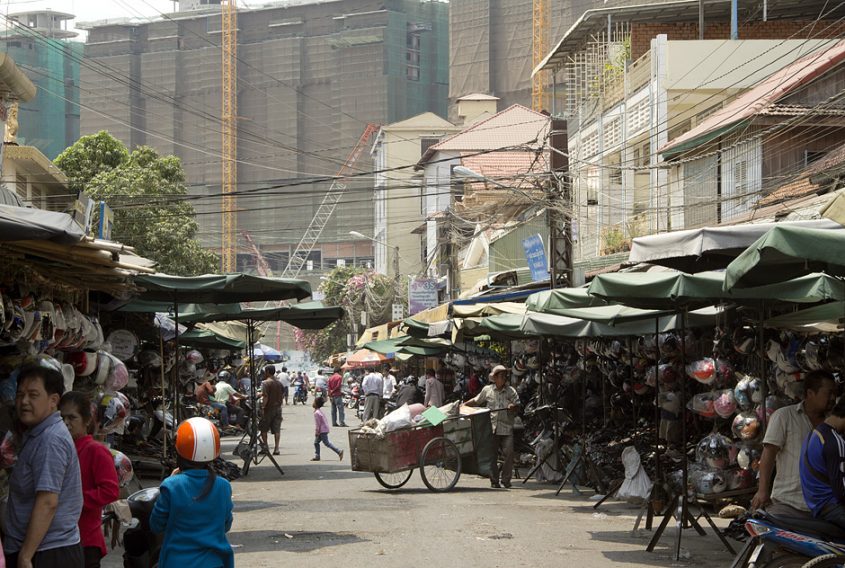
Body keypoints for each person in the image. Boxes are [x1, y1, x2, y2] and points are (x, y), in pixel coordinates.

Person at [5, 364, 84, 567]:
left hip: (46, 554)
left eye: (33, 395)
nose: (24, 401)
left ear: (53, 400)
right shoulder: (37, 434)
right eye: (20, 394)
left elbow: (48, 502)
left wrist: (25, 556)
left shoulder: (51, 439)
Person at [150, 417, 234, 568]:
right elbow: (226, 525)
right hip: (215, 562)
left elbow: (156, 525)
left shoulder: (171, 485)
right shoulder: (223, 486)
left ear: (179, 449)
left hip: (177, 562)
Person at [752, 370, 837, 511]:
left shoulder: (834, 423)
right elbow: (768, 454)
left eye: (835, 393)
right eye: (829, 393)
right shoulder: (784, 416)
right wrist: (762, 491)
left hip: (825, 503)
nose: (833, 398)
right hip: (789, 502)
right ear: (810, 393)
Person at [59, 391, 119, 568]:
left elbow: (111, 491)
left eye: (72, 418)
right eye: (62, 417)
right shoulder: (60, 448)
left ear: (86, 420)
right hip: (60, 539)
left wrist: (74, 500)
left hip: (85, 540)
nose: (66, 423)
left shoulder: (95, 450)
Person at [464, 365, 519, 489]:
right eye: (501, 376)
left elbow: (518, 405)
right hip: (492, 427)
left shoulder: (511, 391)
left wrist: (513, 406)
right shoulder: (487, 390)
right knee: (492, 455)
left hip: (506, 427)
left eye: (505, 376)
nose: (504, 378)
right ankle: (494, 480)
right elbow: (476, 400)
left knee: (509, 454)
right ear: (495, 378)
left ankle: (506, 479)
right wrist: (464, 405)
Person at [800, 397, 845, 528]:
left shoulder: (814, 434)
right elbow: (841, 492)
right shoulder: (835, 441)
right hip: (833, 508)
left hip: (817, 506)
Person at [259, 365, 284, 455]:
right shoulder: (279, 383)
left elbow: (265, 396)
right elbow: (282, 395)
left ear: (268, 372)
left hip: (268, 409)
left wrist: (262, 407)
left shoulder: (265, 383)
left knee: (264, 429)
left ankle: (265, 447)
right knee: (277, 429)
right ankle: (276, 448)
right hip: (278, 408)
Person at [311, 398, 343, 462]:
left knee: (326, 443)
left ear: (316, 404)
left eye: (314, 402)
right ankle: (317, 456)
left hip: (322, 431)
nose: (313, 403)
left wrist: (317, 432)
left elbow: (318, 424)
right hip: (324, 429)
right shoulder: (319, 411)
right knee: (316, 442)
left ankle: (339, 451)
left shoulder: (317, 413)